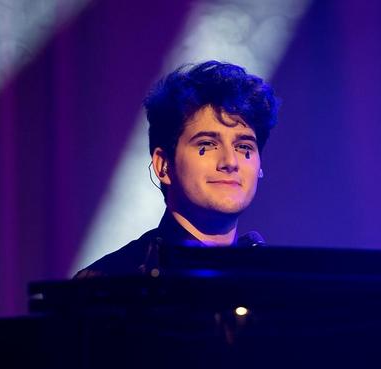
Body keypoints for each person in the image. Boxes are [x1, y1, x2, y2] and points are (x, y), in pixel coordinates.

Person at [75, 60, 279, 278]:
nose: (230, 161)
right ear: (163, 165)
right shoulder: (109, 281)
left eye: (244, 147)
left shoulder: (272, 281)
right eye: (207, 144)